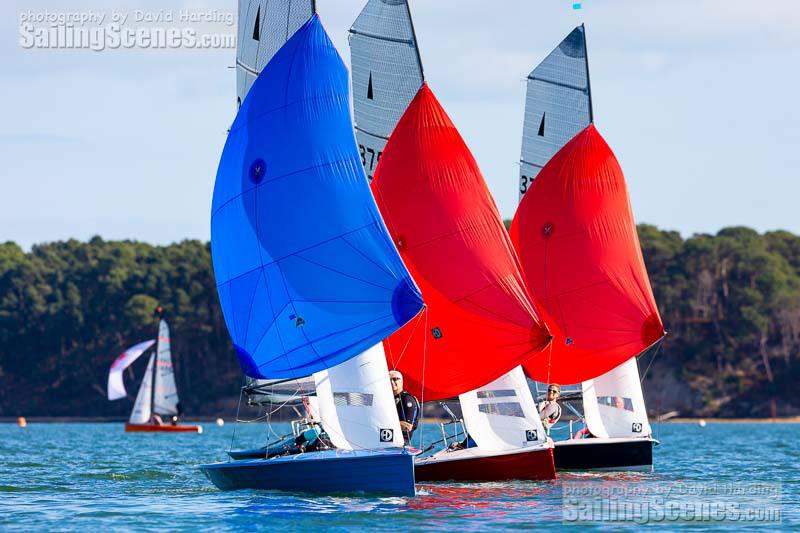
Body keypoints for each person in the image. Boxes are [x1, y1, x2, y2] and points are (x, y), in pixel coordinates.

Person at [389, 370, 419, 445]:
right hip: (384, 440)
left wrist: (383, 423)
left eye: (395, 379)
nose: (392, 382)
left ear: (402, 381)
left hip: (401, 444)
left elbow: (408, 427)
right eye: (389, 380)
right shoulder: (386, 399)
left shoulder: (407, 399)